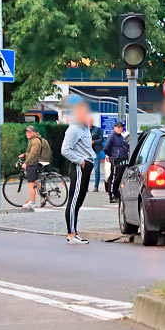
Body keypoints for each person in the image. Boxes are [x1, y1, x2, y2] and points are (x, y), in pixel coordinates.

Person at [61, 95, 96, 245]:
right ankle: (71, 234)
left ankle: (74, 231)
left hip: (87, 166)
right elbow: (65, 150)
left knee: (80, 199)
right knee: (74, 200)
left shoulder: (85, 128)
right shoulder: (74, 129)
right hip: (79, 167)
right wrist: (80, 161)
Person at [18, 125, 50, 210]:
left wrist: (26, 163)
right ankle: (44, 196)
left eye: (30, 132)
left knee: (31, 184)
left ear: (34, 133)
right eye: (27, 132)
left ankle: (32, 203)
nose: (28, 134)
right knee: (36, 182)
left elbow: (33, 154)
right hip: (36, 163)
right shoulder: (33, 140)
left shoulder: (35, 141)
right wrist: (24, 155)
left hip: (33, 164)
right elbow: (31, 152)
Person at [103, 121, 129, 203]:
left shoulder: (121, 137)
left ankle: (116, 194)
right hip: (115, 160)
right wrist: (112, 155)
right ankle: (112, 196)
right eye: (118, 127)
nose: (120, 129)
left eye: (121, 127)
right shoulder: (112, 136)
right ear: (115, 128)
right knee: (114, 178)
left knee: (119, 178)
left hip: (122, 160)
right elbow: (106, 148)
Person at [88, 116, 104, 192]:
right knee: (86, 170)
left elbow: (101, 140)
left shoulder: (97, 130)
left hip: (96, 151)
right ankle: (85, 186)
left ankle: (96, 186)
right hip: (86, 152)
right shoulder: (83, 130)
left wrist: (93, 142)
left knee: (97, 169)